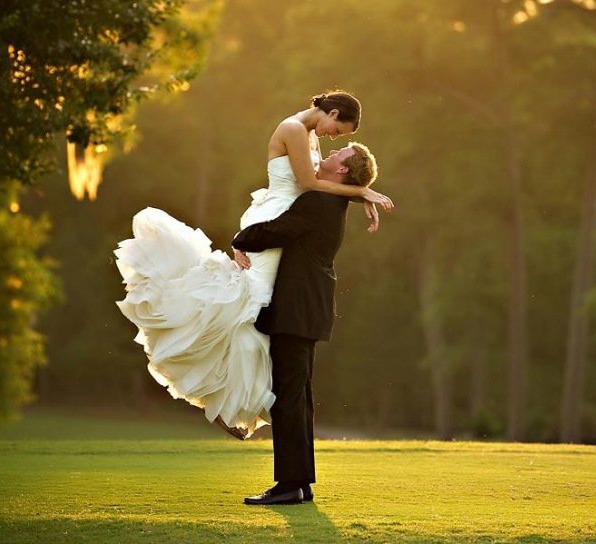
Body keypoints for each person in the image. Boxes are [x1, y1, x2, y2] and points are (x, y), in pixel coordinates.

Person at [114, 90, 392, 438]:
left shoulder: (309, 137)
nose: (332, 138)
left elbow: (320, 187)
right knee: (248, 301)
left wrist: (358, 192)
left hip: (287, 220)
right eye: (337, 131)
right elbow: (309, 183)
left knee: (258, 310)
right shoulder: (292, 128)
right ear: (332, 112)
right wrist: (359, 192)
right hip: (276, 220)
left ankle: (227, 400)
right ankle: (218, 396)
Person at [233, 141, 379, 505]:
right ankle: (299, 484)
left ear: (342, 171)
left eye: (338, 155)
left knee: (290, 398)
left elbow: (277, 231)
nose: (329, 154)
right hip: (306, 310)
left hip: (296, 311)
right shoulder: (333, 199)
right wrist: (362, 194)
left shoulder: (320, 202)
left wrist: (240, 239)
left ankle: (289, 486)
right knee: (297, 398)